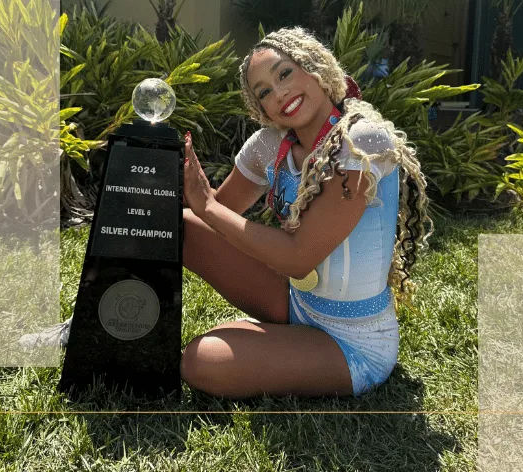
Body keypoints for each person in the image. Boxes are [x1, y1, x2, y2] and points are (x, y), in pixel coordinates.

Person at [179, 27, 432, 399]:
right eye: (264, 91)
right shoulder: (269, 144)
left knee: (200, 362)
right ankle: (107, 322)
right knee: (180, 228)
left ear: (314, 67)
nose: (279, 92)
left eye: (284, 73)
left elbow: (299, 258)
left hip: (353, 343)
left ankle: (280, 348)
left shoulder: (365, 142)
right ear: (259, 107)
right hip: (297, 303)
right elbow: (214, 218)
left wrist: (208, 206)